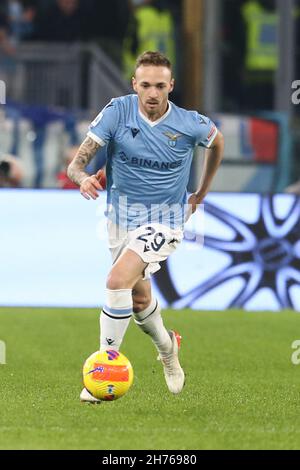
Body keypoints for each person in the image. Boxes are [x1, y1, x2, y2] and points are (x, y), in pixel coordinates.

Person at [67, 51, 224, 402]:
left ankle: (104, 369)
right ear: (134, 85)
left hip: (166, 222)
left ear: (171, 86)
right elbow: (77, 164)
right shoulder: (117, 112)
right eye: (146, 85)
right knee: (138, 301)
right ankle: (169, 349)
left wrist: (201, 192)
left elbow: (217, 142)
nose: (153, 93)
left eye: (160, 86)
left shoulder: (189, 123)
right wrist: (82, 179)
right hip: (120, 219)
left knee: (115, 281)